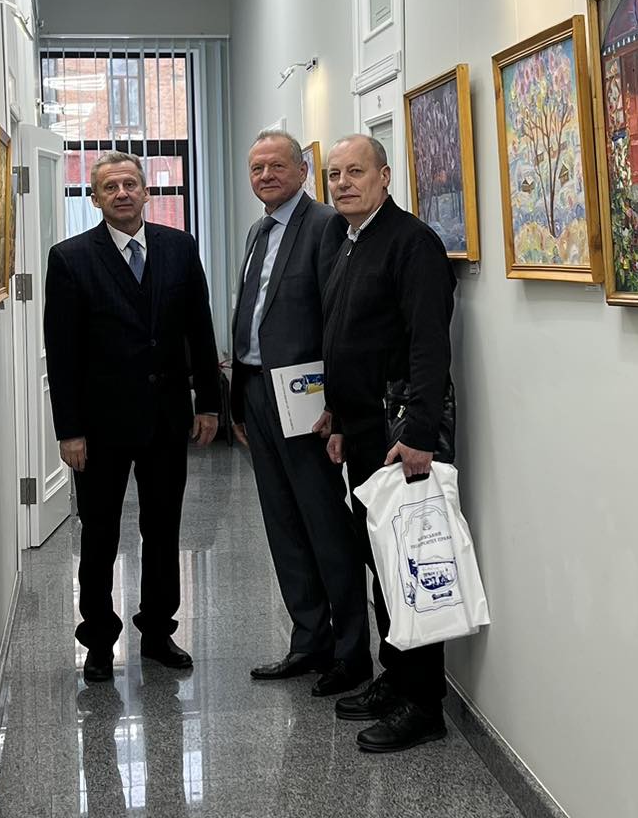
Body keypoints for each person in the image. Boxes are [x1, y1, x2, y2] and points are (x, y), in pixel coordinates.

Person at [43, 150, 221, 684]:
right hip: (99, 427)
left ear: (146, 192)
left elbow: (200, 329)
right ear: (94, 198)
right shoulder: (71, 258)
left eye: (130, 184)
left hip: (166, 419)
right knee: (99, 533)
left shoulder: (179, 248)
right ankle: (99, 638)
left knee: (163, 528)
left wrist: (209, 403)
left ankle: (159, 630)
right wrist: (69, 430)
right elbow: (63, 353)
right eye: (110, 187)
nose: (122, 193)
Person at [320, 134, 456, 754]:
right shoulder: (349, 240)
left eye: (355, 172)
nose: (343, 183)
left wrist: (420, 435)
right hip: (362, 429)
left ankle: (423, 704)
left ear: (385, 177)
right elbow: (348, 338)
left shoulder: (412, 243)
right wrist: (339, 419)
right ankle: (396, 678)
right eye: (334, 175)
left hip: (401, 433)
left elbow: (429, 344)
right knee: (380, 561)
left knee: (411, 565)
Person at [230, 130, 368, 697]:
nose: (265, 175)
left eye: (277, 166)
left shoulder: (323, 225)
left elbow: (337, 317)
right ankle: (308, 641)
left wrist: (334, 403)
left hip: (305, 398)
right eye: (256, 168)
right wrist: (237, 399)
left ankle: (351, 652)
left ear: (303, 170)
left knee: (324, 523)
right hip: (257, 391)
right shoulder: (258, 231)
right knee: (283, 523)